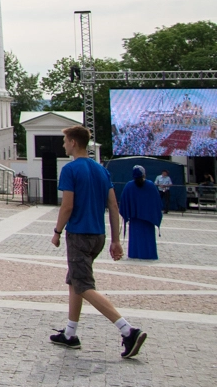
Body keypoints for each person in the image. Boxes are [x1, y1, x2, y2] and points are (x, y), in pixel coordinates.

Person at [51, 125, 144, 357]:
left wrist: (57, 231)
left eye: (65, 141)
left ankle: (127, 330)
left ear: (73, 142)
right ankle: (70, 334)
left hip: (79, 234)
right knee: (75, 281)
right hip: (98, 236)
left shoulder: (70, 170)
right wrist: (115, 240)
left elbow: (67, 206)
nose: (63, 145)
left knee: (84, 286)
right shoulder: (102, 171)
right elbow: (113, 206)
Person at [118, 165, 162, 261]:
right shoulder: (150, 186)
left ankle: (135, 253)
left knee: (136, 239)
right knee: (147, 239)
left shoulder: (129, 186)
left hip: (135, 220)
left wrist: (127, 214)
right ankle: (148, 254)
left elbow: (123, 202)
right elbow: (157, 203)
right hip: (148, 220)